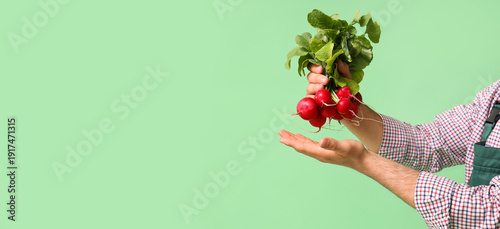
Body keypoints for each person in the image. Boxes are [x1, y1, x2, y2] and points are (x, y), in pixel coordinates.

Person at [278, 63, 500, 228]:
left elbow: (490, 211)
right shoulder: (495, 96)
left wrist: (364, 161)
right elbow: (430, 143)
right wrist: (340, 102)